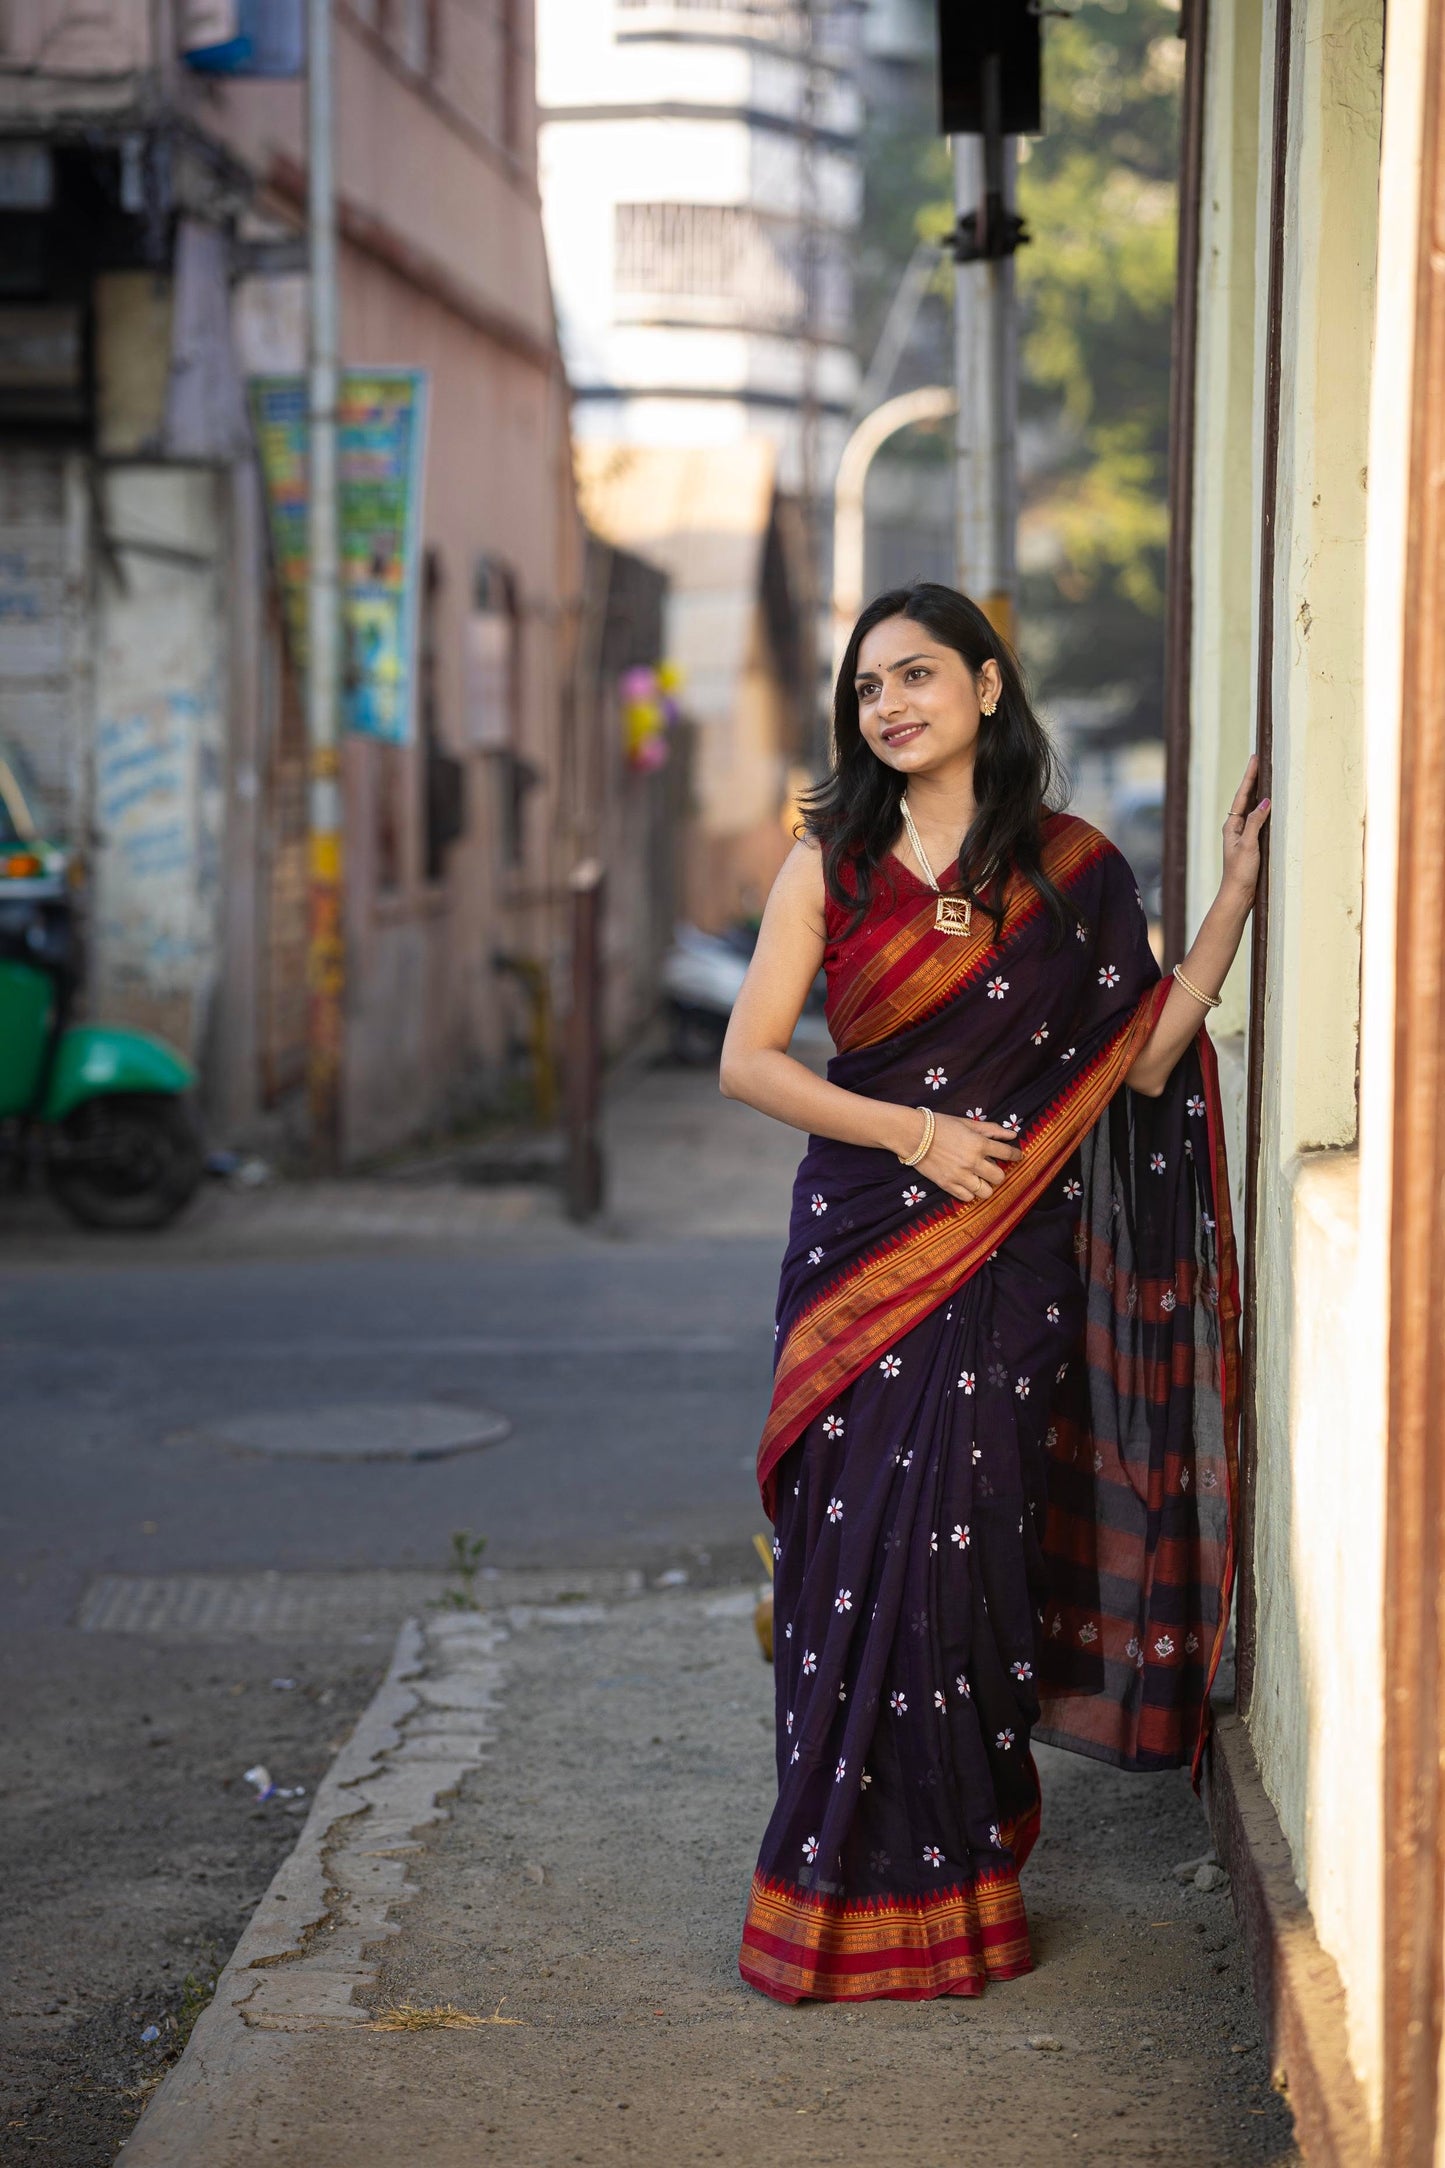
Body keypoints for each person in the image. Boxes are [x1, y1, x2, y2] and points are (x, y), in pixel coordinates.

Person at [719, 583, 1269, 2004]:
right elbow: (752, 1061)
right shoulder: (827, 863)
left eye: (913, 676)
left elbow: (1141, 1064)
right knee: (847, 1575)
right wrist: (914, 1135)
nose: (886, 706)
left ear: (981, 686)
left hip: (1010, 1264)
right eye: (863, 689)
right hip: (862, 1252)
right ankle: (826, 1887)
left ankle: (958, 1889)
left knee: (965, 1569)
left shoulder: (1073, 871)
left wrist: (1230, 906)